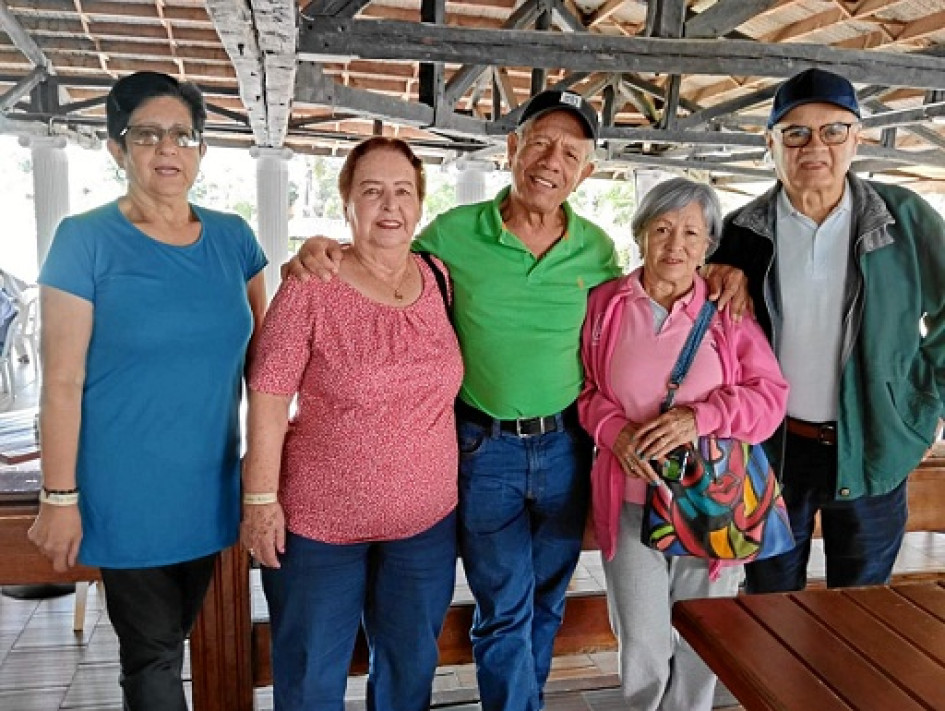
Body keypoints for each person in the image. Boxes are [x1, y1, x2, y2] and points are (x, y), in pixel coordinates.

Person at [287, 90, 618, 711]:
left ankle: (527, 699)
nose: (552, 161)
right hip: (482, 446)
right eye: (540, 142)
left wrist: (717, 272)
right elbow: (382, 261)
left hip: (567, 447)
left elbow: (638, 312)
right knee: (504, 603)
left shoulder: (597, 251)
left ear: (587, 172)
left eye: (571, 153)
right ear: (512, 148)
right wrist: (317, 252)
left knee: (546, 601)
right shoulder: (450, 234)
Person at [27, 71, 268, 711]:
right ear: (116, 148)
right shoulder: (84, 239)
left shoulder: (234, 238)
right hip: (122, 488)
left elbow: (267, 366)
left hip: (210, 484)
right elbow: (62, 380)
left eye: (183, 135)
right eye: (147, 135)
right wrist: (58, 496)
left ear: (201, 150)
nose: (168, 149)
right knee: (153, 654)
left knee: (174, 639)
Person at [240, 137, 463, 711]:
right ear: (347, 206)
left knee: (409, 668)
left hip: (425, 523)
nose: (389, 205)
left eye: (402, 192)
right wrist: (260, 498)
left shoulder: (439, 277)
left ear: (419, 205)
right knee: (312, 677)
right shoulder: (312, 284)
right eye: (372, 192)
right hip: (319, 527)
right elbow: (267, 392)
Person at [710, 68, 945, 593]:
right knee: (769, 609)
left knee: (860, 612)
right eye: (795, 132)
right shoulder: (741, 232)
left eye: (833, 130)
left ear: (857, 138)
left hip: (872, 446)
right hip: (771, 452)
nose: (814, 145)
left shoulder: (902, 219)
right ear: (769, 142)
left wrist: (924, 404)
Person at [578, 177, 788, 711]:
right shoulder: (604, 304)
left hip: (709, 503)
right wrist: (614, 430)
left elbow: (769, 401)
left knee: (704, 634)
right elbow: (583, 391)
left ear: (708, 244)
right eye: (663, 229)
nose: (675, 246)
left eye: (691, 233)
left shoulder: (726, 311)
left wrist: (703, 418)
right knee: (644, 642)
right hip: (628, 499)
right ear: (640, 234)